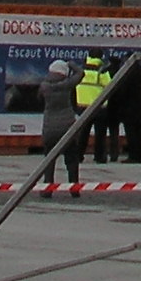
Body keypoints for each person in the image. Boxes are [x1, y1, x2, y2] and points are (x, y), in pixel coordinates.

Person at [38, 55, 82, 197]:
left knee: (49, 160)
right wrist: (71, 64)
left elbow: (38, 99)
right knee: (71, 160)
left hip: (49, 127)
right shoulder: (67, 84)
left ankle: (47, 189)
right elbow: (81, 74)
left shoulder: (44, 86)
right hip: (67, 127)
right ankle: (74, 189)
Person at [77, 49, 114, 165]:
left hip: (83, 106)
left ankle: (78, 156)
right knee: (100, 135)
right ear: (101, 57)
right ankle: (99, 157)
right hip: (99, 107)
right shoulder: (102, 70)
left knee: (82, 133)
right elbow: (110, 85)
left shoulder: (81, 68)